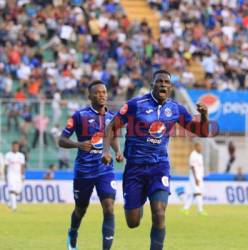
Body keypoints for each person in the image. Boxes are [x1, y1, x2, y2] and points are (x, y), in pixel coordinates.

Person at [102, 69, 210, 250]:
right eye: (159, 82)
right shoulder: (135, 105)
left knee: (159, 212)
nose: (163, 85)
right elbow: (111, 127)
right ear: (153, 85)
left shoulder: (175, 109)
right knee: (133, 222)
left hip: (159, 166)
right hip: (135, 168)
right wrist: (106, 151)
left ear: (170, 87)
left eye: (167, 82)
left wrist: (205, 116)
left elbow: (202, 132)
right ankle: (139, 200)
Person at [59, 80, 123, 250]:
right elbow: (61, 140)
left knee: (109, 208)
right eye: (98, 92)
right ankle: (73, 232)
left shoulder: (113, 117)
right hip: (84, 171)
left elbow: (113, 137)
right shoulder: (79, 116)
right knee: (81, 209)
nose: (102, 95)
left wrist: (117, 151)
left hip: (105, 170)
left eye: (104, 92)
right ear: (90, 96)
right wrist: (78, 145)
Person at [182, 140, 206, 215]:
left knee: (194, 194)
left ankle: (185, 208)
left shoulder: (200, 155)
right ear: (196, 147)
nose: (201, 148)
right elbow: (192, 167)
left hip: (200, 177)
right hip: (194, 178)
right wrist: (195, 178)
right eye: (200, 146)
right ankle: (200, 210)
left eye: (201, 146)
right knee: (198, 193)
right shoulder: (193, 155)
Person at [4, 141, 25, 212]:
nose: (15, 147)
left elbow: (22, 166)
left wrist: (22, 175)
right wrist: (5, 176)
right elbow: (6, 166)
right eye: (14, 146)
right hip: (11, 174)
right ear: (12, 146)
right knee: (12, 190)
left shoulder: (21, 155)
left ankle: (10, 202)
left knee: (18, 191)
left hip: (18, 175)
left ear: (18, 147)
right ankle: (14, 208)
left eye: (17, 146)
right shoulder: (8, 155)